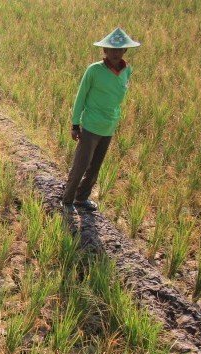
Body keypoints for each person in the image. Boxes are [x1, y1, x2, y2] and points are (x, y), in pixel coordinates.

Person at [62, 27, 140, 214]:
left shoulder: (127, 70)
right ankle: (67, 200)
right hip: (90, 126)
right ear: (104, 51)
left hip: (109, 127)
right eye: (111, 49)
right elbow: (81, 97)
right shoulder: (94, 70)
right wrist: (75, 124)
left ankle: (82, 198)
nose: (115, 53)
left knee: (95, 167)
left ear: (125, 51)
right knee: (81, 166)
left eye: (119, 49)